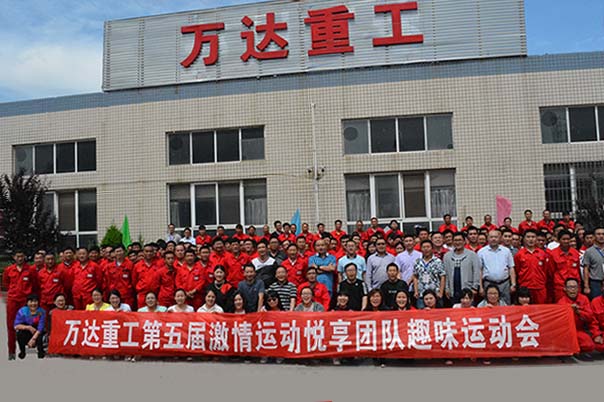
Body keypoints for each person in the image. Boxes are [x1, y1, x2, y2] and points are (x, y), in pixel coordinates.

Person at [558, 278, 604, 354]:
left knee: (591, 345)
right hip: (568, 331)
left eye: (575, 287)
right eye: (570, 287)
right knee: (590, 345)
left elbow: (589, 317)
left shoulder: (584, 299)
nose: (573, 289)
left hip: (580, 330)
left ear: (579, 288)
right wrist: (597, 335)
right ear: (565, 289)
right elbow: (593, 321)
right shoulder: (561, 303)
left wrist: (579, 312)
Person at [478, 230, 516, 305]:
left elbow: (511, 268)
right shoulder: (481, 252)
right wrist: (481, 287)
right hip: (488, 283)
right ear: (487, 238)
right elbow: (480, 270)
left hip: (504, 284)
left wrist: (513, 284)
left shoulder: (506, 251)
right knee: (489, 305)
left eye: (496, 237)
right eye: (491, 237)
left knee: (506, 305)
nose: (493, 239)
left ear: (500, 238)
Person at [443, 232, 481, 305]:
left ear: (464, 241)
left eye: (460, 240)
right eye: (455, 240)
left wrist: (475, 287)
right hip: (453, 290)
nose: (458, 242)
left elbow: (476, 272)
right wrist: (447, 288)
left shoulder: (472, 255)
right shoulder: (447, 256)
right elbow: (446, 273)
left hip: (468, 289)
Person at [514, 229, 550, 304]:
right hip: (525, 287)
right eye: (528, 237)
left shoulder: (542, 253)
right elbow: (517, 270)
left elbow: (545, 270)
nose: (531, 239)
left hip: (540, 287)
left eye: (533, 237)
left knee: (541, 307)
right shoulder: (519, 254)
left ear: (536, 239)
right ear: (523, 239)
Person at [412, 240, 446, 309]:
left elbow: (442, 276)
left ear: (432, 248)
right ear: (421, 249)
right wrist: (416, 291)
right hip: (421, 294)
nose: (426, 249)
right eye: (424, 247)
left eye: (428, 247)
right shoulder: (417, 261)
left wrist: (441, 292)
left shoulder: (438, 261)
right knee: (422, 313)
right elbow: (415, 276)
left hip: (435, 294)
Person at [13, 294, 46, 359]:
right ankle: (22, 351)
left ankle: (40, 352)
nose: (33, 303)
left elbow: (41, 327)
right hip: (26, 329)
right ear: (27, 302)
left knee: (40, 335)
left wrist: (33, 339)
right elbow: (16, 326)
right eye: (31, 301)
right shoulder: (22, 311)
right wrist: (28, 327)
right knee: (19, 334)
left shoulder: (41, 312)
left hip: (37, 331)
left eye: (35, 301)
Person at [103, 244, 135, 309]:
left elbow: (134, 280)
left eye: (120, 251)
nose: (119, 253)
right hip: (114, 296)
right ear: (114, 253)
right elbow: (107, 281)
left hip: (127, 295)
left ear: (124, 252)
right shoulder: (109, 266)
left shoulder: (130, 265)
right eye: (117, 251)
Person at [132, 244, 161, 309]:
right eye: (146, 251)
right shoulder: (137, 266)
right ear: (143, 252)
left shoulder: (159, 264)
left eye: (150, 251)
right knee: (142, 312)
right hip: (142, 294)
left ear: (153, 252)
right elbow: (134, 281)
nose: (149, 253)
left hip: (156, 294)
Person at [582, 227, 604, 299]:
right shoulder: (589, 251)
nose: (601, 236)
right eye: (598, 234)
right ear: (594, 236)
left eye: (603, 234)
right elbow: (586, 269)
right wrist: (586, 286)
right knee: (596, 301)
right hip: (596, 282)